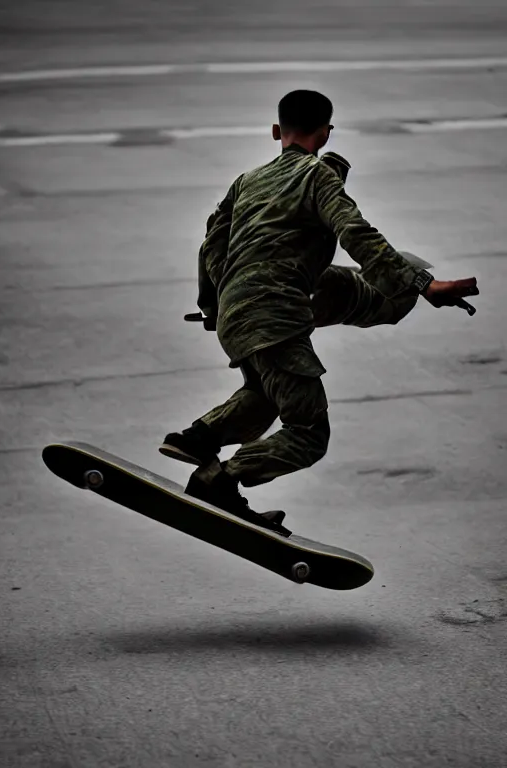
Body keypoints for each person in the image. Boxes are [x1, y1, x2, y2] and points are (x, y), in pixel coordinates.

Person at [159, 90, 479, 535]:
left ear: (277, 131)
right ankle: (220, 480)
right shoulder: (317, 176)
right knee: (308, 433)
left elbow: (211, 244)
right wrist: (424, 285)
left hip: (235, 315)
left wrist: (215, 306)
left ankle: (198, 438)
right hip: (277, 315)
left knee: (267, 395)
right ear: (326, 132)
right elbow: (356, 232)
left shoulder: (246, 180)